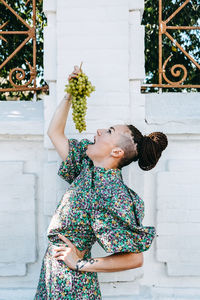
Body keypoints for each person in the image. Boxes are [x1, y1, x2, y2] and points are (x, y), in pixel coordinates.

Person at [34, 66, 168, 300]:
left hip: (72, 287)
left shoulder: (114, 193)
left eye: (108, 131)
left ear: (116, 151)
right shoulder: (86, 167)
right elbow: (55, 133)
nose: (97, 131)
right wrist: (69, 96)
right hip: (53, 278)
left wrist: (79, 264)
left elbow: (135, 258)